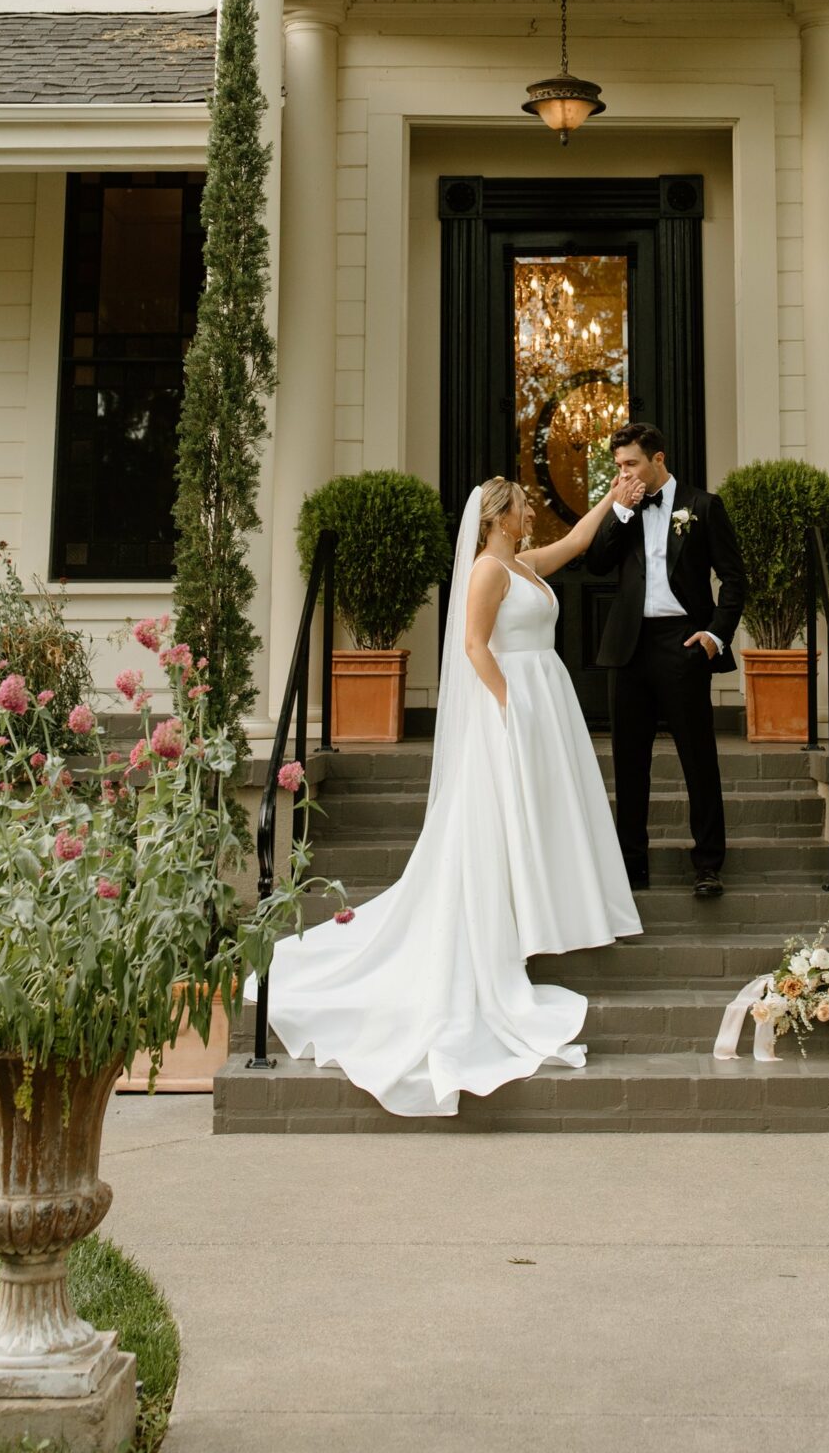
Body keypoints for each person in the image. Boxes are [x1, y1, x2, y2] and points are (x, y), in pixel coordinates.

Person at [255, 476, 639, 1118]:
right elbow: (472, 646)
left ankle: (545, 910)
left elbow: (575, 541)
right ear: (499, 516)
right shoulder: (489, 572)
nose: (531, 511)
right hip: (513, 700)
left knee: (542, 815)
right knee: (500, 819)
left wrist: (612, 498)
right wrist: (510, 705)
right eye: (522, 505)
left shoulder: (523, 564)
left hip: (546, 694)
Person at [588, 421, 746, 900]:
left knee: (698, 757)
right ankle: (631, 867)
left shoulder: (702, 506)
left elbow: (734, 580)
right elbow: (595, 564)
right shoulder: (624, 507)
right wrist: (619, 508)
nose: (624, 473)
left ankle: (708, 865)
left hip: (682, 642)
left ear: (658, 459)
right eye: (618, 466)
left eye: (631, 464)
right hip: (629, 646)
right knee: (629, 761)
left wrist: (715, 636)